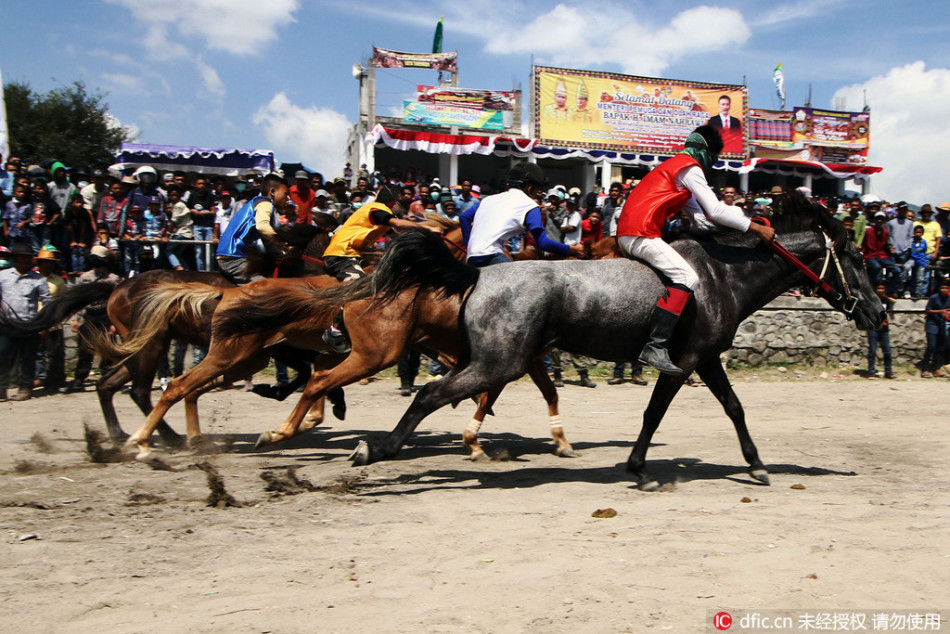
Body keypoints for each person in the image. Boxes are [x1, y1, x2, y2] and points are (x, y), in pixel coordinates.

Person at [615, 124, 774, 375]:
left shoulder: (679, 170)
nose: (712, 164)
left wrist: (739, 230)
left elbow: (701, 221)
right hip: (640, 233)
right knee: (687, 276)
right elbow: (716, 211)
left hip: (631, 232)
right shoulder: (690, 167)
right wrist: (755, 228)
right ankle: (655, 345)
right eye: (714, 158)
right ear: (705, 152)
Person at [320, 185, 424, 354]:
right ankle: (335, 329)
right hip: (341, 254)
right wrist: (426, 228)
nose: (401, 208)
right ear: (391, 202)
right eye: (399, 203)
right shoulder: (377, 209)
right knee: (361, 285)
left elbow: (395, 235)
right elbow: (397, 223)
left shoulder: (380, 218)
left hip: (352, 254)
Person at [459, 163, 585, 268]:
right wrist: (572, 250)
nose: (539, 192)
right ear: (530, 187)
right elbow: (543, 243)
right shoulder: (530, 206)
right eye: (538, 188)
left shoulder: (488, 199)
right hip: (492, 257)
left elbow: (464, 217)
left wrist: (468, 244)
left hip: (471, 258)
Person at [216, 173, 294, 285]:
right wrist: (285, 245)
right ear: (272, 192)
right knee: (267, 289)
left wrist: (282, 252)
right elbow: (263, 227)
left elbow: (267, 241)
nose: (287, 199)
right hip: (234, 257)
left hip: (234, 256)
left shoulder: (260, 205)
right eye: (285, 194)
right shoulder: (265, 203)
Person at [66, 245, 120, 393]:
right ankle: (79, 378)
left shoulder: (113, 279)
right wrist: (76, 318)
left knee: (108, 348)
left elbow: (116, 303)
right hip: (90, 315)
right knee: (84, 348)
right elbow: (79, 299)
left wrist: (115, 323)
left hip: (106, 316)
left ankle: (106, 376)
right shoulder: (85, 278)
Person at [0, 243, 51, 401]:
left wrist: (44, 325)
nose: (26, 260)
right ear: (15, 259)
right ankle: (1, 388)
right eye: (22, 257)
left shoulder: (39, 279)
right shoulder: (2, 276)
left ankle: (25, 388)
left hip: (28, 325)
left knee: (28, 358)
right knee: (2, 356)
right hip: (5, 324)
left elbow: (47, 302)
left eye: (28, 257)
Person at [33, 246, 67, 392]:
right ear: (39, 263)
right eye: (45, 262)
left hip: (52, 321)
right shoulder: (32, 278)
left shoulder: (58, 281)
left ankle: (55, 380)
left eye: (50, 262)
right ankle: (37, 378)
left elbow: (62, 301)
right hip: (34, 319)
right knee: (36, 351)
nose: (48, 265)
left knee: (54, 352)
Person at [863, 211, 900, 296]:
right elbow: (864, 244)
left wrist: (891, 248)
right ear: (874, 220)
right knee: (876, 267)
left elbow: (887, 244)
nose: (880, 221)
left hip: (882, 255)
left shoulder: (885, 232)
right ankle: (870, 287)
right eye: (878, 219)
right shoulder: (868, 231)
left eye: (882, 219)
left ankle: (891, 290)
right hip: (870, 255)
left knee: (897, 270)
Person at [866, 283, 896, 379]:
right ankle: (871, 371)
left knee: (887, 351)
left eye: (882, 288)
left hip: (884, 329)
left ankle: (888, 371)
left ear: (885, 290)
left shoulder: (887, 301)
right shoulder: (871, 300)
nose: (880, 290)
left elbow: (890, 312)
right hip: (873, 328)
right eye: (878, 288)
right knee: (872, 351)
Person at [921, 280, 950, 378]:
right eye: (942, 288)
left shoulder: (949, 298)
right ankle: (925, 368)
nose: (944, 290)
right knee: (932, 346)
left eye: (946, 288)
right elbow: (927, 310)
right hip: (932, 324)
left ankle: (937, 368)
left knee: (941, 348)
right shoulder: (934, 298)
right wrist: (940, 311)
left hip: (942, 324)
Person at [887, 203, 916, 297]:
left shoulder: (910, 223)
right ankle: (891, 291)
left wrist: (908, 248)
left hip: (904, 251)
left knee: (903, 272)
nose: (903, 211)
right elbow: (889, 236)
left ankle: (900, 291)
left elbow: (910, 236)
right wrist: (891, 247)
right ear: (898, 210)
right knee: (892, 272)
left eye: (905, 210)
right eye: (901, 209)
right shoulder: (891, 222)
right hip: (893, 250)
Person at [166, 184, 194, 270]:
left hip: (181, 233)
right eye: (172, 195)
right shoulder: (176, 205)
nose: (174, 197)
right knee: (177, 253)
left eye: (176, 195)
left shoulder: (179, 205)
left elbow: (174, 221)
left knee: (168, 250)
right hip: (187, 234)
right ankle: (186, 271)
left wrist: (167, 235)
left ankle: (178, 267)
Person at [909, 225, 931, 299]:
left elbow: (923, 252)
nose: (918, 233)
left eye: (920, 232)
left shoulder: (923, 242)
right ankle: (909, 290)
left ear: (922, 233)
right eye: (917, 231)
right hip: (913, 260)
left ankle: (918, 294)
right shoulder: (911, 241)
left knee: (920, 279)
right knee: (908, 271)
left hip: (921, 262)